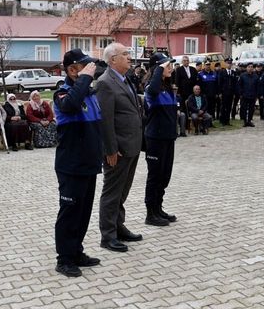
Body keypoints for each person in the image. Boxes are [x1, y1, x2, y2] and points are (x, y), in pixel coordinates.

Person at [52, 48, 104, 278]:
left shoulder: (89, 93)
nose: (90, 69)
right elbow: (70, 106)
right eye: (84, 66)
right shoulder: (62, 94)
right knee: (69, 213)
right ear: (72, 70)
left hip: (89, 163)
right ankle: (64, 259)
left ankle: (76, 252)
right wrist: (84, 78)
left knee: (83, 212)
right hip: (70, 165)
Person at [97, 43, 145, 251]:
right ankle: (107, 236)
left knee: (123, 191)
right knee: (112, 192)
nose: (129, 57)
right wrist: (110, 149)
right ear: (112, 59)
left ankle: (118, 226)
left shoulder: (125, 80)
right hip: (117, 149)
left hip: (131, 145)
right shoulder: (105, 83)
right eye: (125, 54)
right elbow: (105, 120)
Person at [143, 54, 179, 227]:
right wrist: (158, 68)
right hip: (155, 139)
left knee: (164, 176)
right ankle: (150, 213)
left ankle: (158, 208)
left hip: (168, 138)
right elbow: (152, 89)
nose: (170, 68)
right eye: (167, 66)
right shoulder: (152, 88)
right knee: (155, 176)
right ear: (157, 68)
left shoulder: (168, 88)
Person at [218, 59, 238, 126]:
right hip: (224, 92)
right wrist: (220, 92)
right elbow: (220, 83)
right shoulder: (222, 72)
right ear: (225, 64)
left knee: (229, 107)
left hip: (231, 93)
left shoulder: (233, 73)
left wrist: (235, 93)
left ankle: (227, 120)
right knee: (223, 107)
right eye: (228, 63)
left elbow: (235, 83)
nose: (229, 64)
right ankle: (222, 120)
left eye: (230, 63)